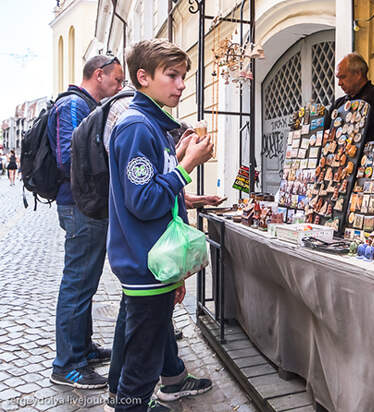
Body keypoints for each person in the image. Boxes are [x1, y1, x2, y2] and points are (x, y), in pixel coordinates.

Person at [108, 39, 217, 411]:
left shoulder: (153, 126)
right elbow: (143, 202)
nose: (181, 84)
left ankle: (149, 393)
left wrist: (181, 159)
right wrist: (188, 167)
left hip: (154, 261)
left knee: (147, 346)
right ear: (143, 78)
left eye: (183, 76)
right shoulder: (137, 127)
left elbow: (154, 189)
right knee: (142, 364)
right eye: (172, 75)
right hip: (146, 263)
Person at [47, 55, 124, 389]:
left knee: (86, 283)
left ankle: (83, 349)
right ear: (98, 75)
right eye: (117, 80)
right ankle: (67, 365)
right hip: (80, 207)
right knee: (77, 285)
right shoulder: (74, 106)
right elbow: (69, 159)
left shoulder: (86, 105)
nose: (120, 87)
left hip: (86, 206)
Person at [323, 53, 374, 142]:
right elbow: (324, 130)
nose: (339, 83)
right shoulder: (339, 103)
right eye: (338, 78)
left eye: (343, 77)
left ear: (358, 74)